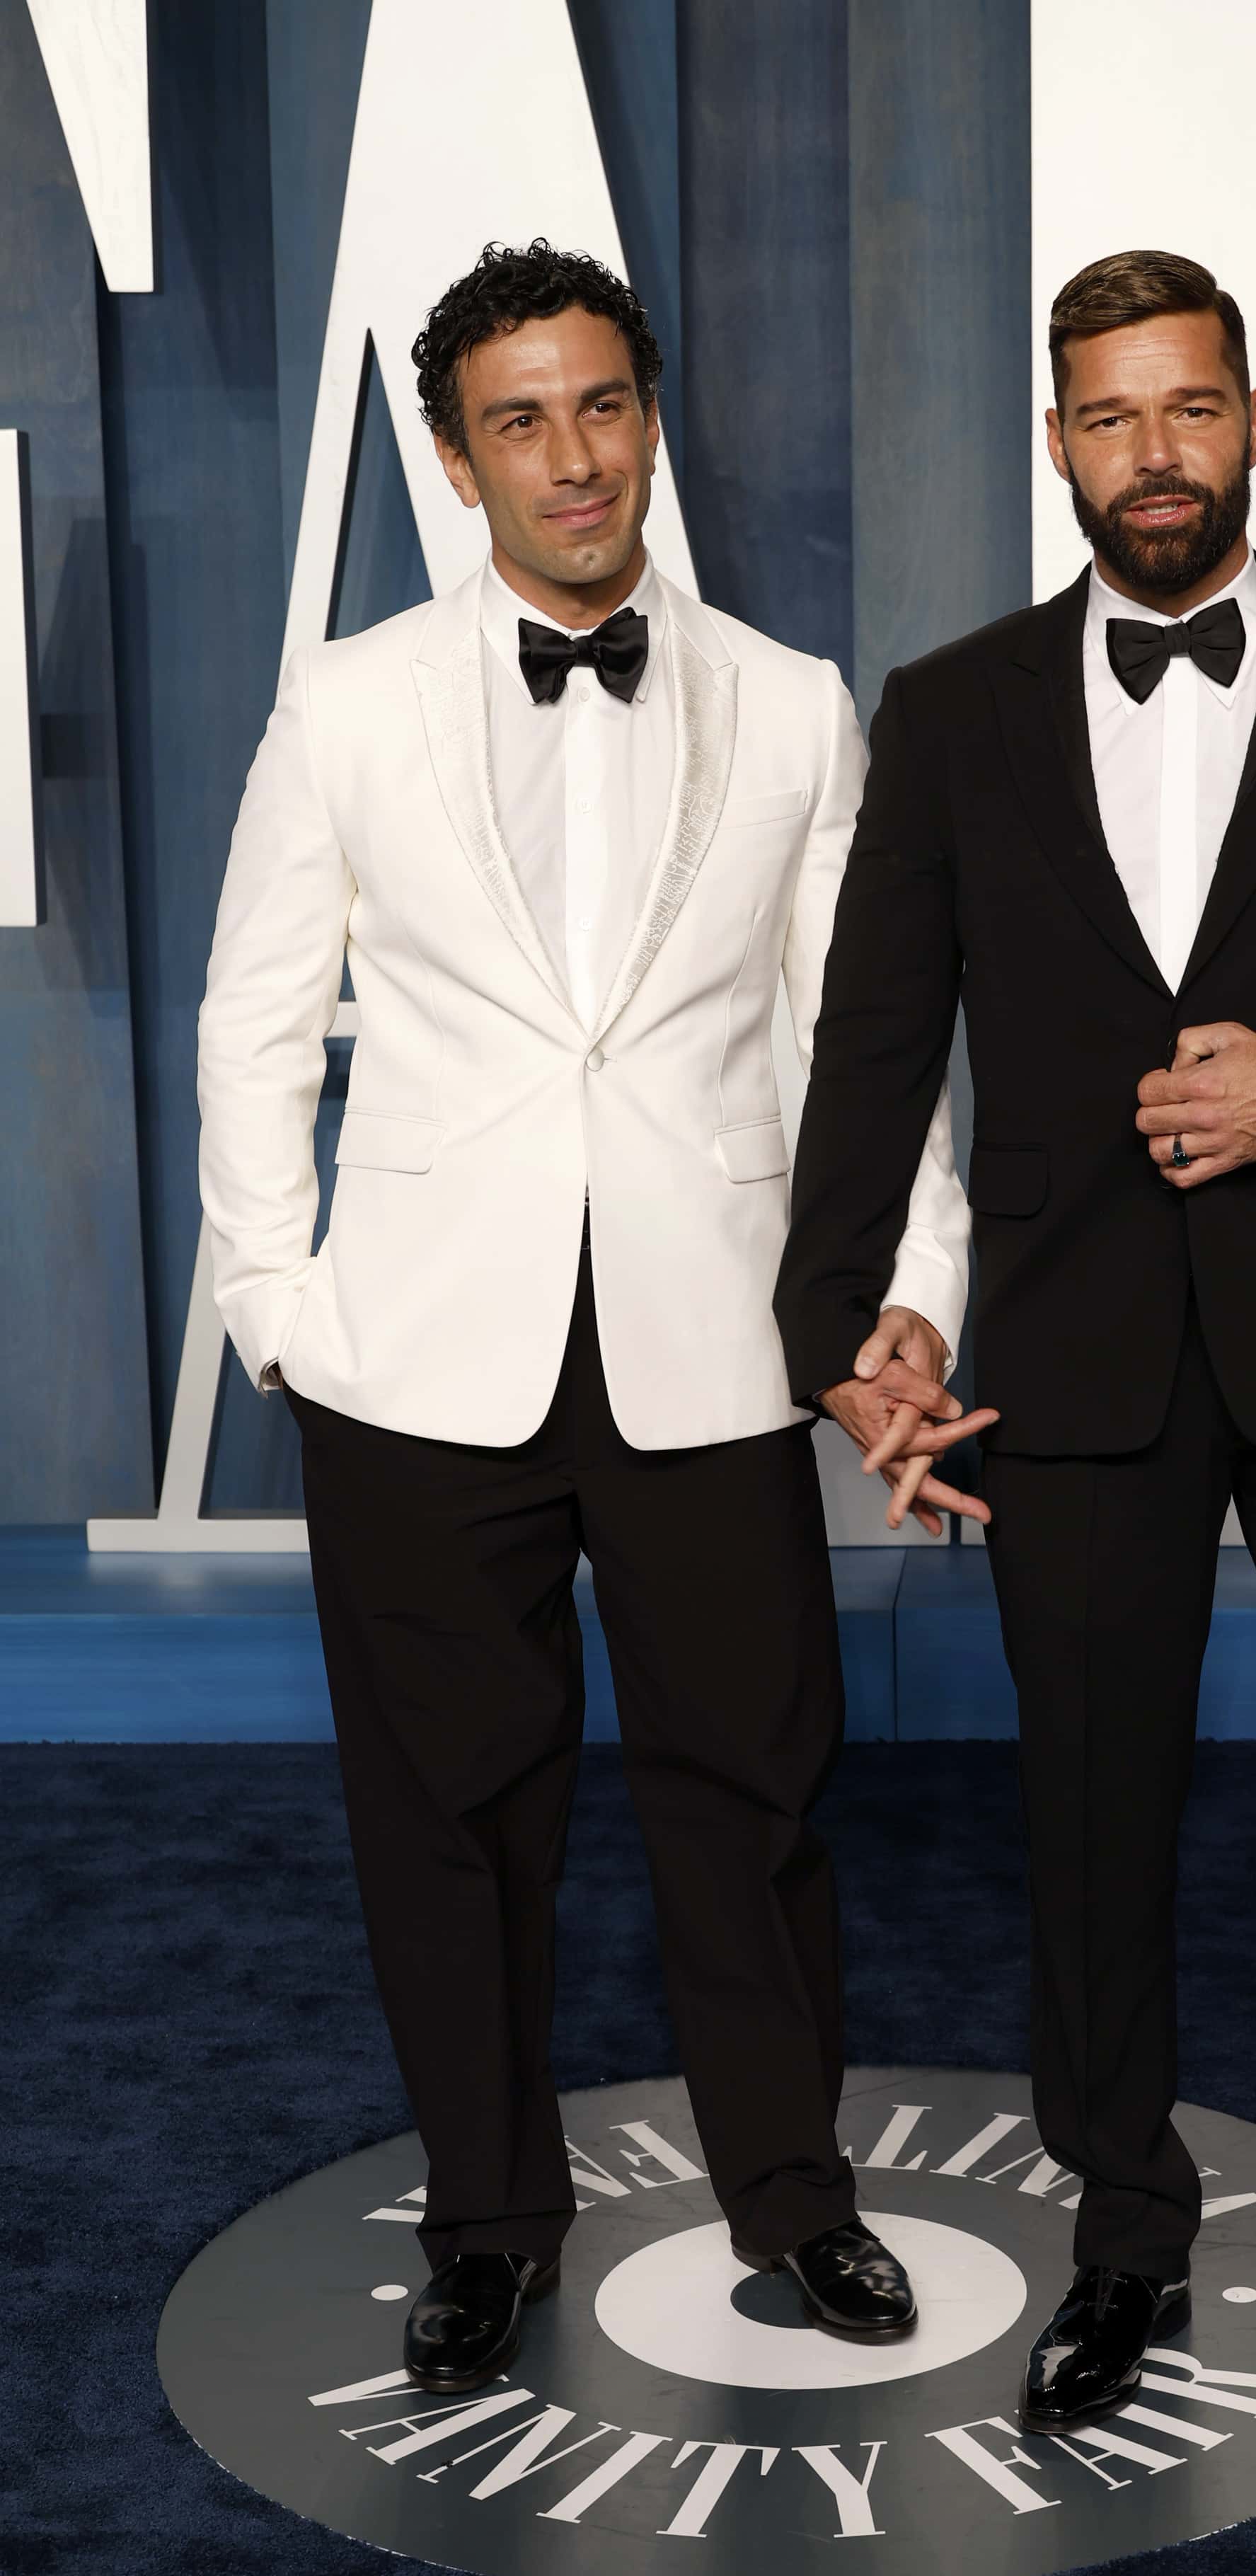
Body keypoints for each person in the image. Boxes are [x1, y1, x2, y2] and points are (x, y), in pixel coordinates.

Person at [778, 249, 1256, 2448]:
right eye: (1110, 417)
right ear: (1056, 440)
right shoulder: (946, 710)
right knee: (1091, 1825)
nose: (1153, 455)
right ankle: (1122, 2238)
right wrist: (841, 1320)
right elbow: (872, 1043)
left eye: (1190, 409)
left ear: (1251, 419)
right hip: (1077, 1349)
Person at [197, 240, 978, 2394]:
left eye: (603, 405)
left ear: (653, 417)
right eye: (521, 420)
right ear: (457, 463)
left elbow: (864, 1045)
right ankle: (484, 2217)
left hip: (719, 1344)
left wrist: (906, 1289)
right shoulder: (349, 702)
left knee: (752, 1795)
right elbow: (258, 1021)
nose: (574, 456)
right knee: (451, 1819)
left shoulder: (794, 695)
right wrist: (283, 1310)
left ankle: (796, 2205)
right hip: (418, 1360)